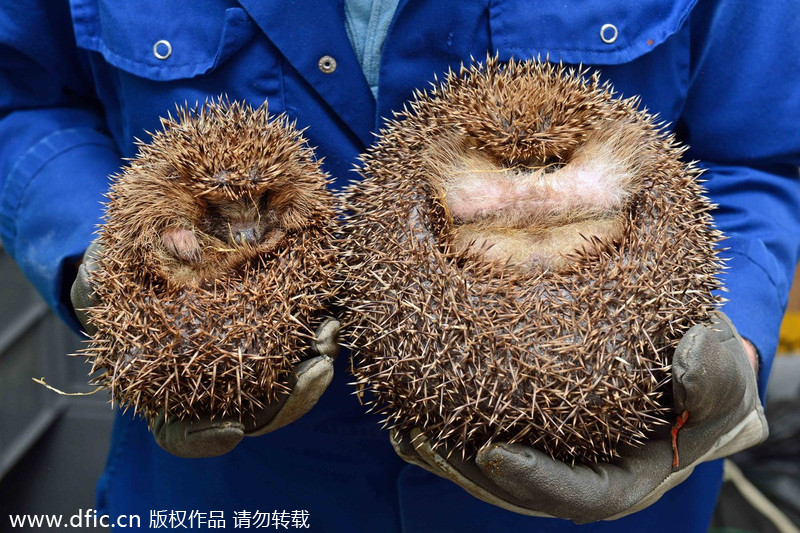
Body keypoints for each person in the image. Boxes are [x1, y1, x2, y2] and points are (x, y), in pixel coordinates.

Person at [1, 1, 798, 531]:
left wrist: (735, 344)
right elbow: (22, 95)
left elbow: (759, 151)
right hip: (233, 498)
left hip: (605, 489)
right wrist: (98, 259)